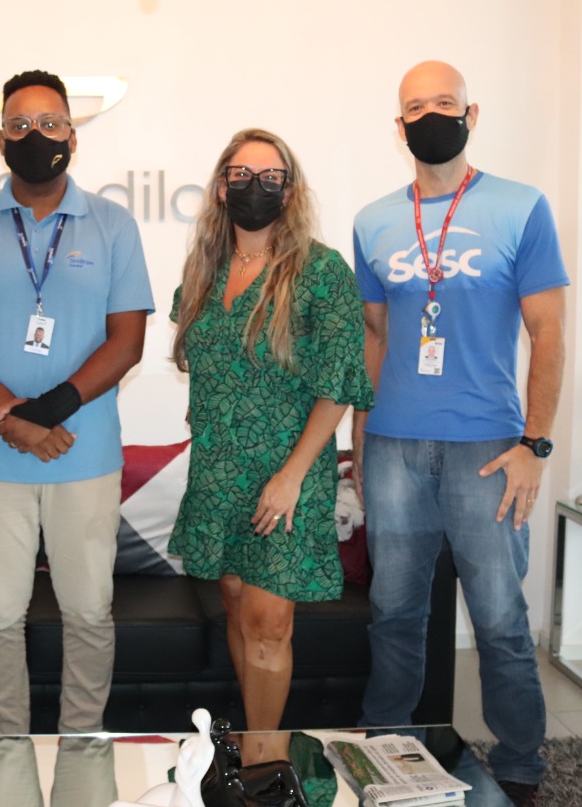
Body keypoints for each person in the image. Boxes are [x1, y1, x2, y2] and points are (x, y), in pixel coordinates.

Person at [351, 61, 568, 807]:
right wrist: (360, 438)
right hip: (394, 447)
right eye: (416, 107)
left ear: (471, 115)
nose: (431, 116)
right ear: (399, 126)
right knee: (393, 612)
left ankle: (520, 765)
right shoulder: (373, 221)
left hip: (489, 448)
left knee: (501, 619)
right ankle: (384, 745)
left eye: (445, 103)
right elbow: (374, 335)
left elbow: (548, 333)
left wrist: (535, 444)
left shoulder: (521, 206)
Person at [0, 70, 154, 737]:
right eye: (20, 125)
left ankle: (81, 741)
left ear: (73, 138)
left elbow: (128, 341)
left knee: (88, 612)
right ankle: (9, 743)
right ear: (1, 141)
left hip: (83, 452)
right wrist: (11, 416)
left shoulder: (113, 225)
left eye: (50, 124)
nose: (36, 136)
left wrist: (44, 413)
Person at [169, 129, 374, 765]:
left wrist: (291, 477)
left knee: (268, 623)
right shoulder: (205, 271)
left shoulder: (321, 272)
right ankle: (256, 741)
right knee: (235, 603)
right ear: (220, 186)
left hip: (289, 471)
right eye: (240, 174)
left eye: (270, 176)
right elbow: (202, 360)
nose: (254, 186)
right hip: (219, 470)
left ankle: (264, 763)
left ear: (290, 190)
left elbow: (339, 385)